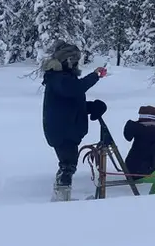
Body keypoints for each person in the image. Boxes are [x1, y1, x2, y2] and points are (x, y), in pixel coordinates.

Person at [41, 41, 108, 201]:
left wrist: (91, 107)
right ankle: (62, 198)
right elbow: (75, 89)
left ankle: (60, 195)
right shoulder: (58, 78)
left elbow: (71, 103)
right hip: (62, 132)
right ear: (67, 60)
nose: (77, 63)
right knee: (68, 165)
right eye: (74, 60)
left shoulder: (64, 78)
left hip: (67, 130)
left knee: (68, 163)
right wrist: (95, 76)